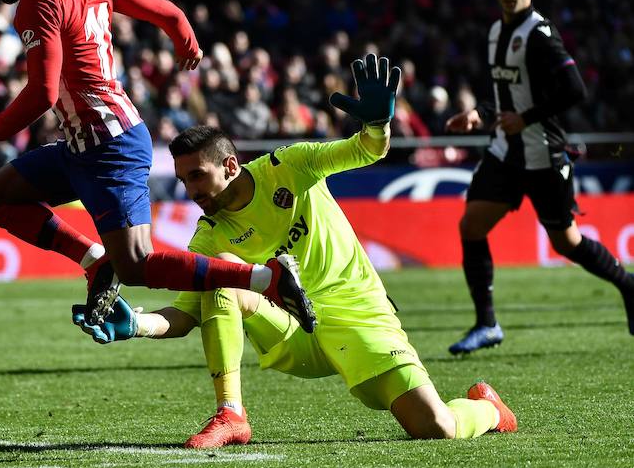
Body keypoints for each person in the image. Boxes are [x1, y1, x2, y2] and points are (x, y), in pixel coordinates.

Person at [74, 55, 517, 447]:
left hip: (355, 313)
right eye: (185, 180)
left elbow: (367, 149)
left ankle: (491, 410)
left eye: (197, 177)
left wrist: (378, 123)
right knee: (222, 271)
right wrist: (136, 324)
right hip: (293, 333)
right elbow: (186, 314)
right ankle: (231, 414)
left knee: (435, 426)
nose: (190, 191)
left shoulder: (291, 166)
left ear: (230, 166)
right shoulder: (209, 235)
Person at [0, 0, 313, 330]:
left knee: (137, 265)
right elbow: (168, 12)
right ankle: (95, 262)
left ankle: (266, 279)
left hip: (111, 147)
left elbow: (43, 93)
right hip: (81, 146)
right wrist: (184, 38)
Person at [445, 0, 634, 354]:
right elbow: (505, 97)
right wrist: (479, 114)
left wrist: (527, 118)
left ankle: (628, 284)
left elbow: (574, 90)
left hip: (542, 156)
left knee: (566, 243)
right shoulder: (496, 33)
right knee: (470, 226)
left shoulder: (540, 34)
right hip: (505, 154)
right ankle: (487, 324)